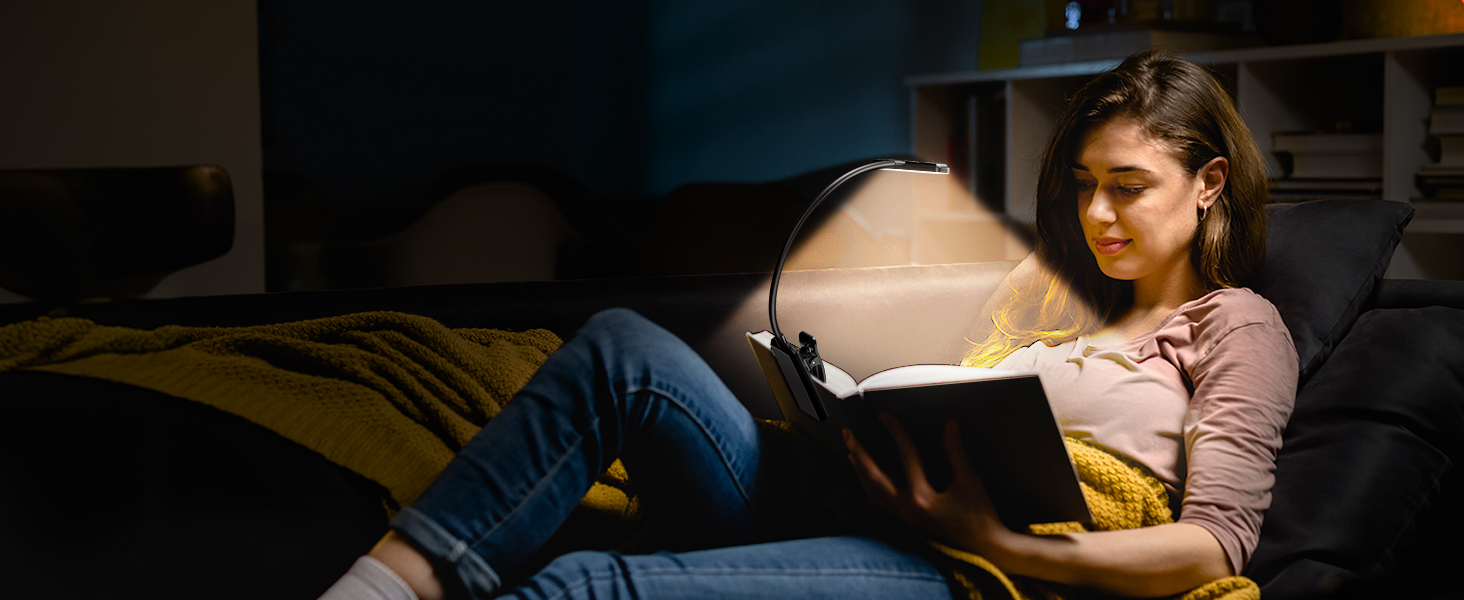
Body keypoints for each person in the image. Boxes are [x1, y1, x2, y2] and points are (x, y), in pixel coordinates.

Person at [318, 49, 1296, 600]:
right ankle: (377, 589)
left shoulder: (1236, 326)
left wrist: (1000, 541)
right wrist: (840, 416)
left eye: (1128, 187)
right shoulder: (1044, 305)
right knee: (626, 348)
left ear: (1210, 184)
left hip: (975, 571)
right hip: (864, 513)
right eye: (1085, 185)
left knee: (585, 582)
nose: (1096, 214)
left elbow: (1215, 548)